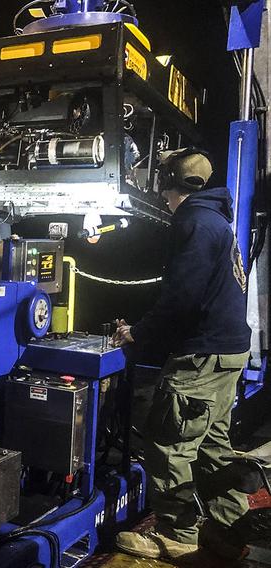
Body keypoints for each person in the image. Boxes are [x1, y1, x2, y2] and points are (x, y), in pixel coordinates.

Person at [112, 148, 251, 561]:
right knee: (212, 443)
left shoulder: (192, 221)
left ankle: (178, 535)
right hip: (228, 353)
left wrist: (137, 333)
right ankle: (229, 527)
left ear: (167, 179)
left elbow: (182, 299)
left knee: (170, 444)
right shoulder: (217, 220)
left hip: (202, 357)